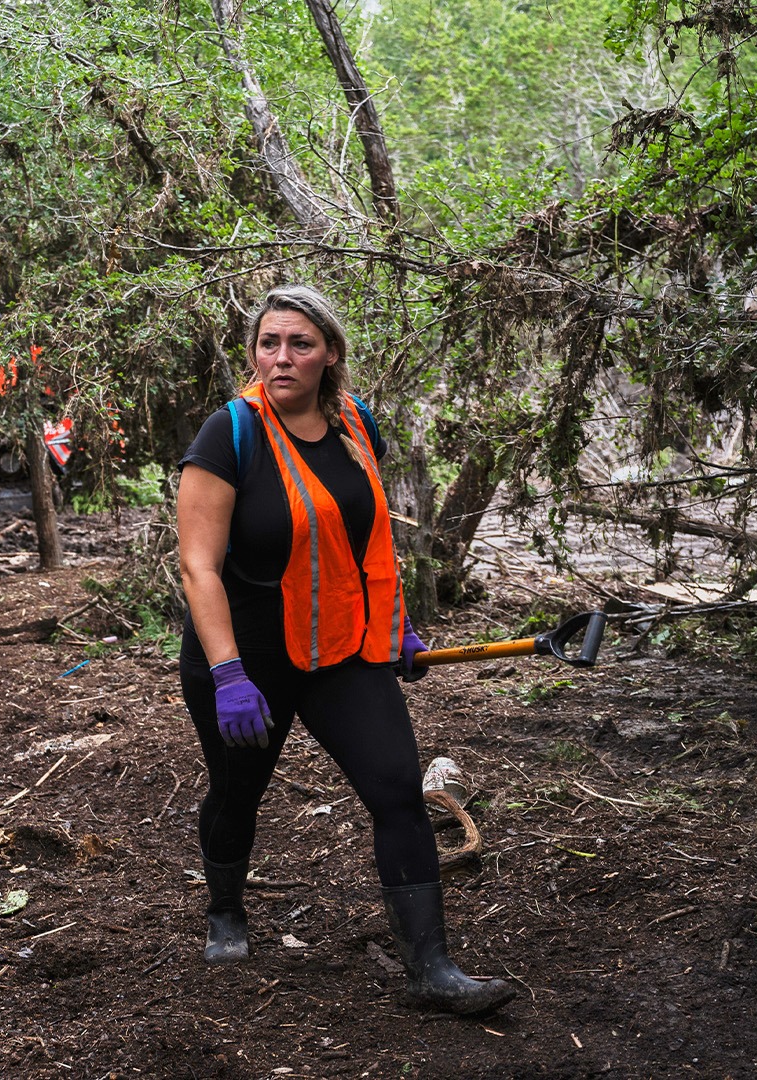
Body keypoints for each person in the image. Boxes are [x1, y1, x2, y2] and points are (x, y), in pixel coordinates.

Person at [174, 284, 515, 1016]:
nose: (281, 357)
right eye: (269, 343)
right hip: (246, 657)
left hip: (339, 649)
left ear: (330, 353)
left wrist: (394, 624)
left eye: (299, 344)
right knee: (238, 792)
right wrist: (228, 673)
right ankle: (226, 909)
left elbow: (363, 541)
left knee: (397, 791)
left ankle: (431, 970)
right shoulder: (229, 434)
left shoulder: (355, 424)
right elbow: (198, 567)